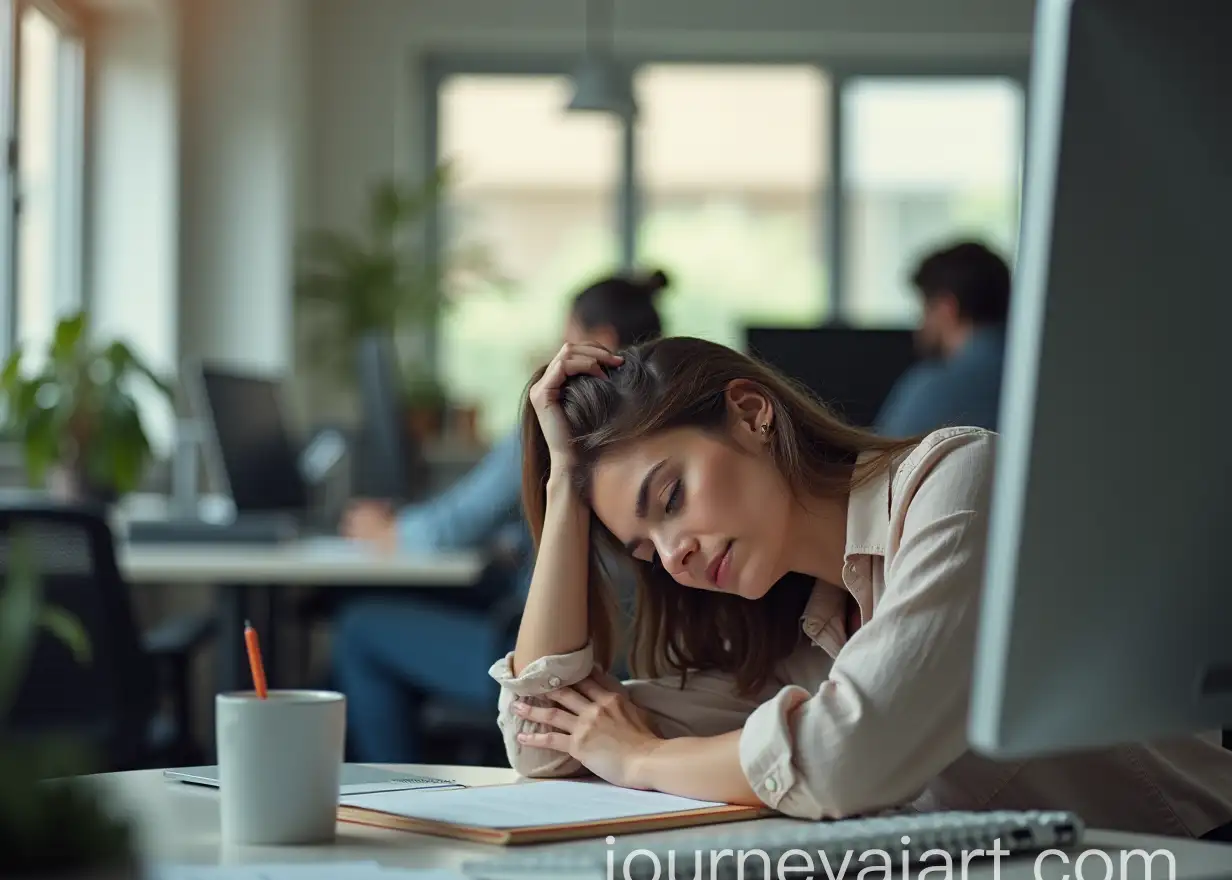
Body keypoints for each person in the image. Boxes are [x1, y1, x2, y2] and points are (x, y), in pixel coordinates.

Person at [490, 335, 1232, 837]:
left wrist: (643, 759)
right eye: (645, 550)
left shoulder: (959, 484)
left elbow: (845, 758)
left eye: (672, 498)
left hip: (1178, 875)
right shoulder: (797, 630)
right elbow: (547, 742)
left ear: (751, 413)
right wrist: (563, 495)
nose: (674, 556)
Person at [331, 269, 668, 762]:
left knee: (359, 631)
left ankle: (396, 797)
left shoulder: (570, 408)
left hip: (560, 653)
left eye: (566, 336)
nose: (557, 350)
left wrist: (387, 531)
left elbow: (454, 526)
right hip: (627, 647)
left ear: (598, 342)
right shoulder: (657, 410)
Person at [874, 240, 1011, 437]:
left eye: (925, 309)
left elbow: (877, 464)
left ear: (948, 309)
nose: (921, 324)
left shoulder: (934, 390)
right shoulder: (1043, 379)